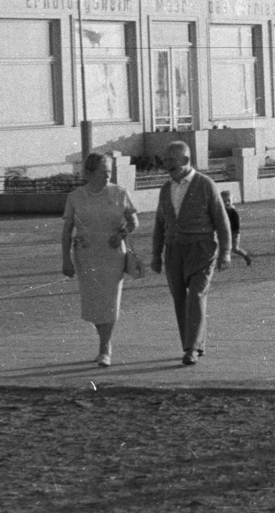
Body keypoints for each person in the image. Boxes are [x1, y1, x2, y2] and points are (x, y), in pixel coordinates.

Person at [150, 141, 233, 366]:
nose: (166, 165)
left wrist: (226, 252)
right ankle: (194, 342)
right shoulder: (166, 189)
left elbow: (222, 220)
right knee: (179, 298)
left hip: (202, 249)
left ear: (186, 161)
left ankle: (191, 349)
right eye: (165, 160)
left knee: (196, 295)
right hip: (174, 251)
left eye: (171, 161)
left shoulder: (205, 185)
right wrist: (156, 255)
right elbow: (160, 224)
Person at [60, 153, 140, 367]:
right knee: (93, 302)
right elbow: (67, 230)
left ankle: (105, 347)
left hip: (112, 254)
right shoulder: (75, 197)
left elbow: (133, 222)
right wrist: (65, 260)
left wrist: (121, 234)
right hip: (86, 255)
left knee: (110, 300)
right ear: (89, 173)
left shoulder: (119, 193)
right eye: (103, 172)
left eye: (109, 172)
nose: (107, 176)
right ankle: (104, 339)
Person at [219, 190, 253, 266]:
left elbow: (237, 225)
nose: (227, 203)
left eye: (228, 200)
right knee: (224, 248)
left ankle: (246, 256)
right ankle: (223, 262)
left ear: (232, 201)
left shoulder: (233, 212)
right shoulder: (222, 211)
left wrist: (234, 233)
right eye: (224, 201)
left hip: (234, 233)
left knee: (235, 248)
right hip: (226, 233)